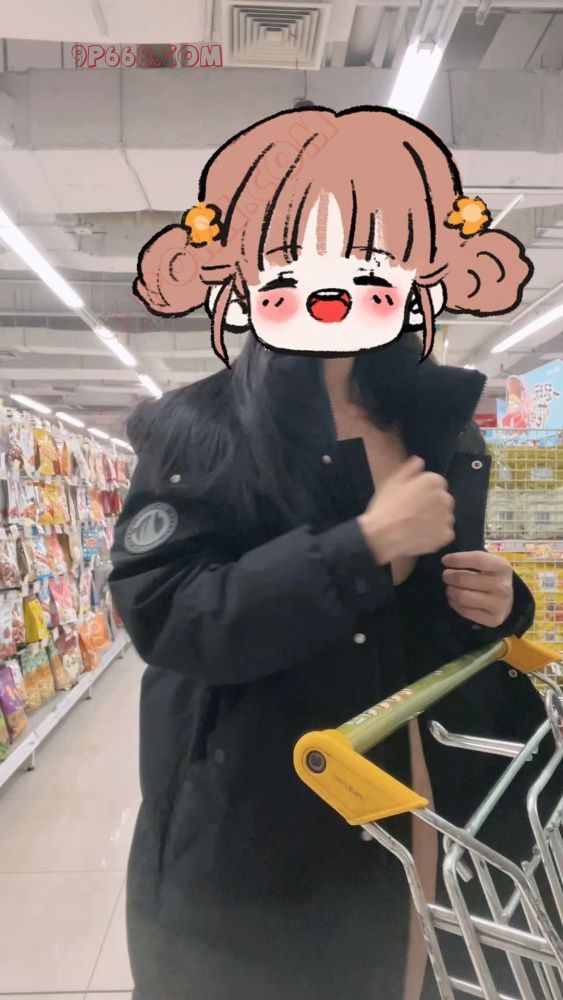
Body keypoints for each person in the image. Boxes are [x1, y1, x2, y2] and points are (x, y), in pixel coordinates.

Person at [110, 106, 544, 1000]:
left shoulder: (436, 420)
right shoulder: (196, 430)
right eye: (298, 257)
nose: (335, 286)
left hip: (448, 794)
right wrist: (363, 545)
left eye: (372, 258)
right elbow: (170, 616)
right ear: (246, 266)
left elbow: (436, 603)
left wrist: (503, 604)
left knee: (436, 965)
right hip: (271, 821)